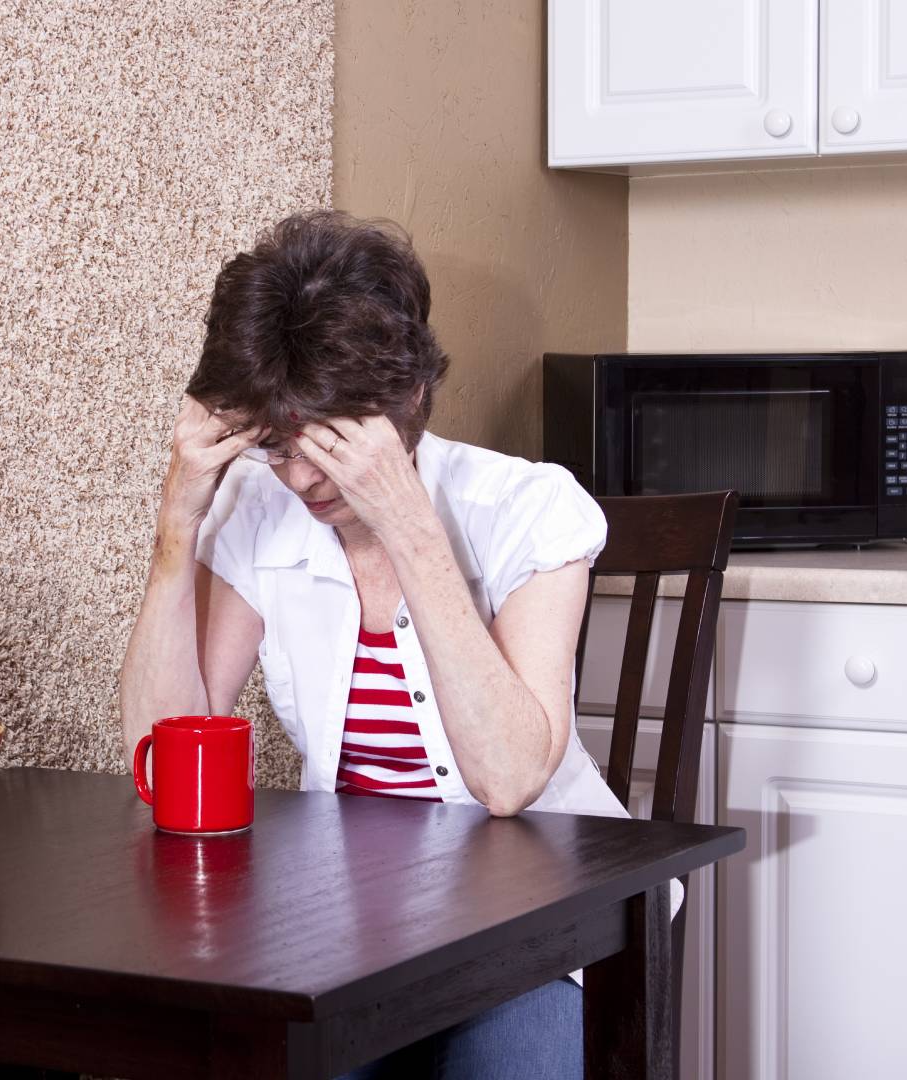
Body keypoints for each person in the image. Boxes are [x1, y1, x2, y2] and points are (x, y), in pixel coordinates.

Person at [119, 210, 626, 1079]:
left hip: (538, 919)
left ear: (409, 399)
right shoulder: (261, 512)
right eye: (278, 448)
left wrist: (407, 525)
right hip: (348, 933)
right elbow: (168, 767)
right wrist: (178, 527)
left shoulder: (530, 510)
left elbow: (507, 780)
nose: (304, 479)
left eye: (329, 447)